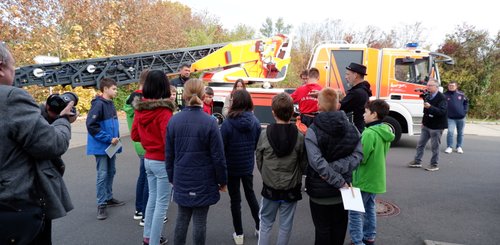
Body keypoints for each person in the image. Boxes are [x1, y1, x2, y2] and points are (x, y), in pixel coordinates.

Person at [0, 43, 76, 244]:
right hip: (16, 208)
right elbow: (53, 144)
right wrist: (62, 120)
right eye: (12, 67)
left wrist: (44, 114)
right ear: (1, 68)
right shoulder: (10, 96)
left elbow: (10, 128)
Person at [166, 79, 227, 245]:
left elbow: (169, 155)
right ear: (202, 95)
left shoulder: (173, 121)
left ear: (184, 95)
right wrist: (222, 180)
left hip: (181, 177)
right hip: (204, 179)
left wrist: (172, 177)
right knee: (200, 221)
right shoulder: (210, 122)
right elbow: (218, 157)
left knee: (182, 218)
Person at [305, 88, 363, 245]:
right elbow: (358, 156)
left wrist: (331, 170)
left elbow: (317, 163)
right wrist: (340, 178)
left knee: (322, 232)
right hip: (343, 192)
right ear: (338, 105)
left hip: (319, 192)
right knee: (339, 232)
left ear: (319, 106)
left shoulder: (312, 131)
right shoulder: (353, 129)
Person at [255, 92, 307, 245]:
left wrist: (266, 175)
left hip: (270, 187)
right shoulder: (299, 136)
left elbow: (259, 160)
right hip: (291, 188)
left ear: (273, 112)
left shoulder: (264, 134)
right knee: (285, 225)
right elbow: (303, 163)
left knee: (265, 222)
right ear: (292, 113)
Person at [131, 70, 175, 245]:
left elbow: (134, 135)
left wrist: (149, 139)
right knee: (161, 205)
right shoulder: (164, 112)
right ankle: (154, 241)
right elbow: (168, 142)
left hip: (148, 159)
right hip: (162, 161)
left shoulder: (140, 109)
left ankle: (148, 237)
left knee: (152, 200)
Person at [349, 99, 394, 245]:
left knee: (354, 212)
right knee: (369, 208)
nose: (363, 115)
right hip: (376, 178)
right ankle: (369, 237)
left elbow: (361, 158)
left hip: (362, 179)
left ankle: (357, 241)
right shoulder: (385, 131)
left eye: (366, 112)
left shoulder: (368, 134)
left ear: (374, 115)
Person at [220, 90, 261, 245]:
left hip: (231, 166)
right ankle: (259, 226)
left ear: (234, 102)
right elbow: (257, 144)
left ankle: (239, 234)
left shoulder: (228, 123)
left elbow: (222, 146)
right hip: (247, 165)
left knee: (235, 201)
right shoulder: (255, 122)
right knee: (251, 195)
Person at [86, 77, 124, 220]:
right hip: (102, 146)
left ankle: (108, 198)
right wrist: (109, 139)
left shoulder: (110, 103)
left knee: (111, 171)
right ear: (105, 89)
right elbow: (91, 126)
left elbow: (113, 124)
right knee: (102, 173)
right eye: (114, 88)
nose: (116, 91)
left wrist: (116, 140)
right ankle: (101, 204)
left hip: (111, 146)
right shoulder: (98, 105)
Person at [124, 69, 149, 225]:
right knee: (148, 179)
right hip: (146, 143)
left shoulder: (131, 97)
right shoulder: (143, 99)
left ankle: (139, 209)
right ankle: (146, 213)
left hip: (138, 143)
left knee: (143, 176)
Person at [408, 78, 448, 171]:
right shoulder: (428, 96)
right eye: (427, 85)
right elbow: (425, 110)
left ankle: (434, 164)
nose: (428, 87)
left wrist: (430, 107)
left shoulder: (442, 98)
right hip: (427, 125)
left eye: (430, 85)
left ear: (436, 87)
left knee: (435, 147)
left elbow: (442, 112)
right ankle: (417, 161)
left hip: (437, 126)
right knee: (420, 144)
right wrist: (423, 122)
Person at [340, 62, 373, 133]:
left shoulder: (356, 93)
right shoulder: (364, 90)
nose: (346, 77)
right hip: (360, 128)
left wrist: (324, 97)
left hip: (356, 131)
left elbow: (339, 107)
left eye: (348, 74)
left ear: (355, 75)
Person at [444, 81, 468, 154]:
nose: (451, 87)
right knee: (450, 132)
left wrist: (465, 111)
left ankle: (459, 147)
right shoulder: (444, 95)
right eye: (450, 85)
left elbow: (466, 103)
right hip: (450, 118)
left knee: (460, 133)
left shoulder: (461, 94)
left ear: (456, 87)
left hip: (461, 118)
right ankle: (449, 147)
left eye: (453, 86)